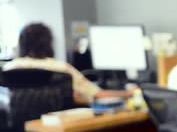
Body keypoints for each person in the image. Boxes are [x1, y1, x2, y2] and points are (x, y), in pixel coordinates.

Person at [2, 23, 134, 102]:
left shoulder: (9, 68)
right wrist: (129, 93)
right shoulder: (60, 68)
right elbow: (98, 95)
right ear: (48, 43)